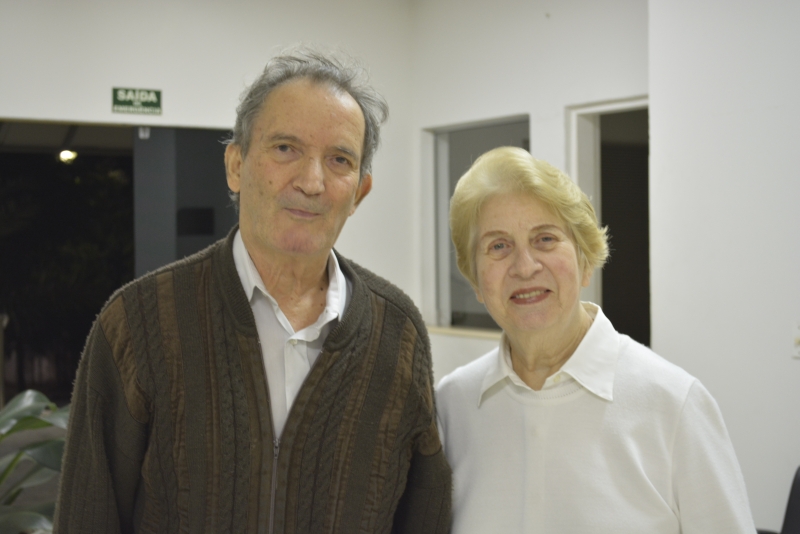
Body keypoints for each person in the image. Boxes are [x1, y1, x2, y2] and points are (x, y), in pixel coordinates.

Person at [55, 47, 451, 534]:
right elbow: (87, 516)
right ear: (236, 165)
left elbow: (425, 516)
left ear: (359, 193)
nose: (311, 181)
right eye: (285, 148)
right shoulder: (139, 324)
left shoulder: (398, 334)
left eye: (339, 159)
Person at [436, 146, 755, 533]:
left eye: (545, 239)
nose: (525, 266)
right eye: (498, 246)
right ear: (475, 281)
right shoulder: (451, 407)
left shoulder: (673, 405)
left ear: (585, 261)